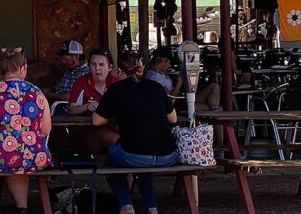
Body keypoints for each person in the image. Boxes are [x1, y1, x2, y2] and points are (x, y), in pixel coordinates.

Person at [94, 52, 179, 214]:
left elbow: (96, 121)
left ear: (119, 71)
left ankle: (126, 206)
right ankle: (152, 207)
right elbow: (173, 118)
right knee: (142, 163)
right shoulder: (156, 87)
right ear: (140, 67)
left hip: (134, 154)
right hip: (168, 154)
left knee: (113, 164)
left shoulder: (116, 89)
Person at [0, 47, 52, 214]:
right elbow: (45, 130)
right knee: (18, 162)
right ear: (23, 68)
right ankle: (22, 207)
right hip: (33, 155)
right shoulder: (37, 92)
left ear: (2, 69)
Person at [68, 49, 120, 151]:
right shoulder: (81, 82)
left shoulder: (116, 83)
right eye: (93, 64)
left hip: (113, 126)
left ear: (110, 67)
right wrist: (87, 106)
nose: (97, 68)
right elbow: (72, 109)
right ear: (89, 66)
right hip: (88, 130)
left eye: (101, 64)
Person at [145, 46, 221, 111]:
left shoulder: (161, 74)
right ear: (162, 61)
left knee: (215, 87)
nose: (169, 66)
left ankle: (214, 112)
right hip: (176, 105)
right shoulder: (154, 77)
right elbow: (169, 99)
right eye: (168, 63)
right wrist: (179, 83)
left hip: (182, 100)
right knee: (218, 108)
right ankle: (215, 116)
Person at [44, 40, 88, 112]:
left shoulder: (85, 72)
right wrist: (49, 90)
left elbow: (70, 97)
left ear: (76, 57)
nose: (63, 62)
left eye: (66, 59)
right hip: (57, 103)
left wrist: (50, 94)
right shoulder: (69, 70)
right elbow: (59, 88)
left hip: (66, 108)